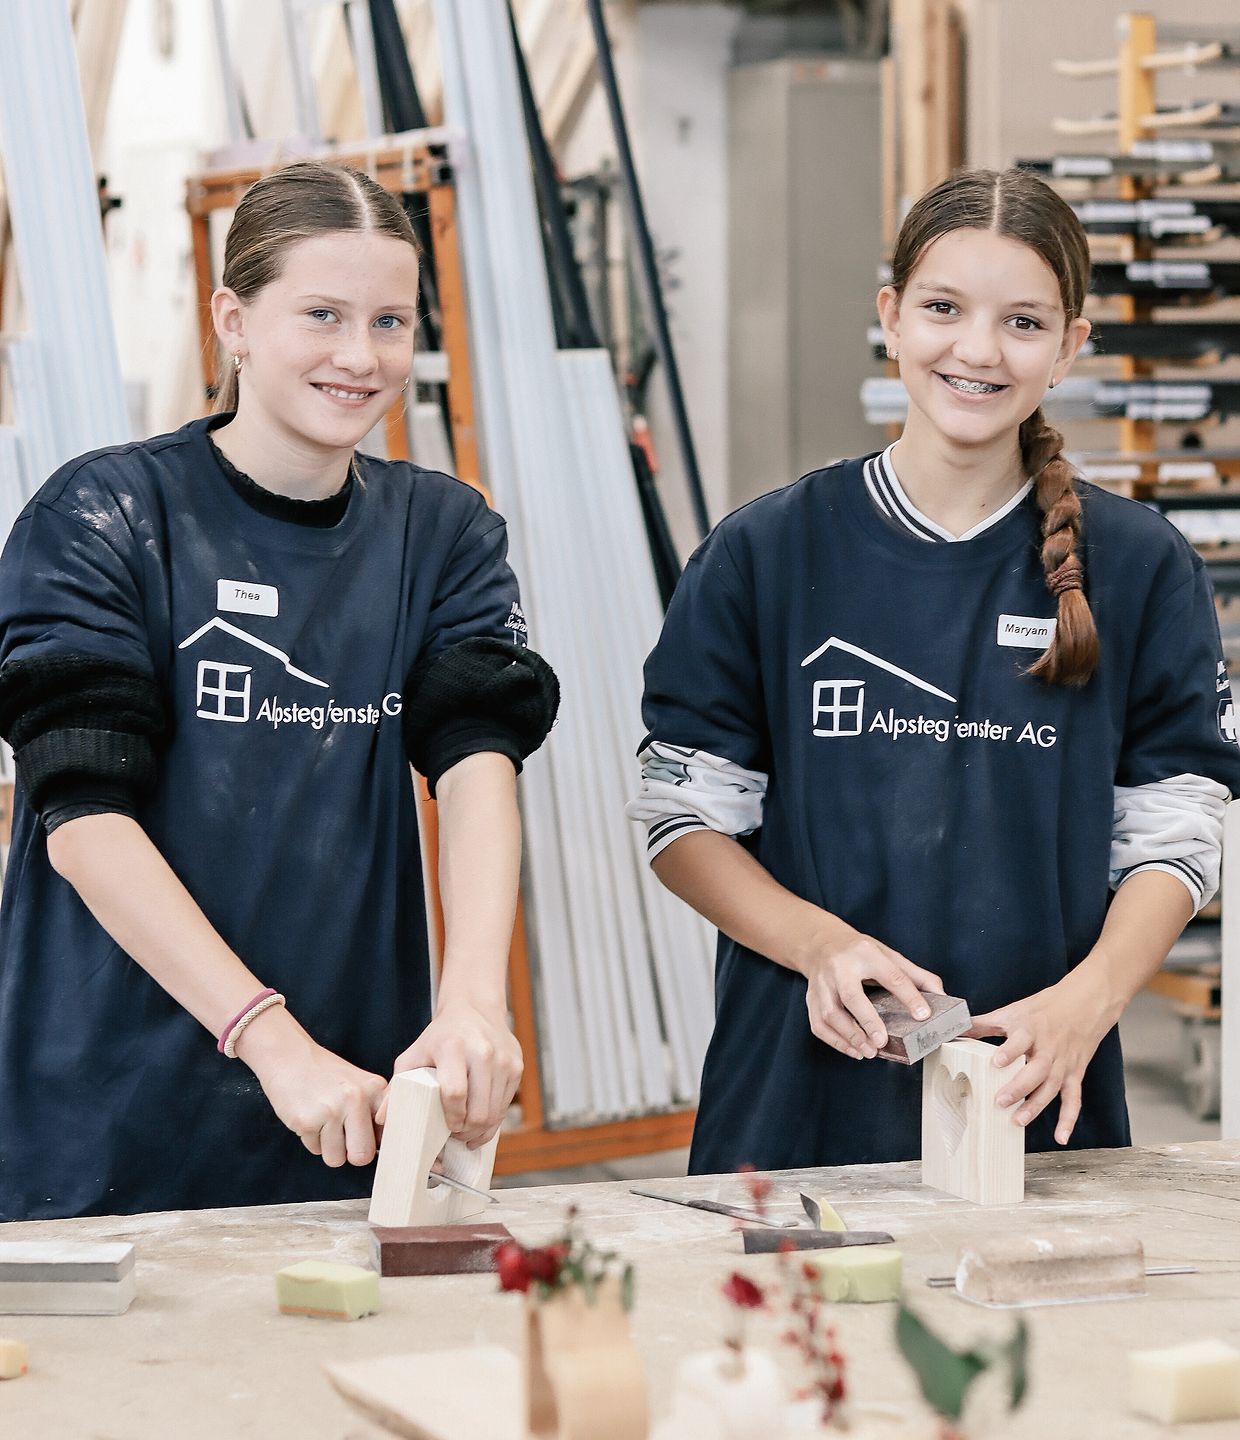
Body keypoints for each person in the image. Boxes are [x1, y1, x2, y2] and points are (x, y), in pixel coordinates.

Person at [628, 167, 1240, 1174]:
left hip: (1035, 1093)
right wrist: (820, 947)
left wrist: (1085, 1005)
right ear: (891, 316)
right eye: (943, 309)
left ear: (1070, 346)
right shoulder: (765, 553)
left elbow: (1176, 827)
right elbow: (681, 818)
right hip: (793, 1100)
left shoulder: (1138, 566)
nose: (976, 350)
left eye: (1023, 322)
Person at [0, 161, 557, 1219]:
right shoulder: (106, 516)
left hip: (347, 1106)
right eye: (322, 315)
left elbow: (479, 761)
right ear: (234, 320)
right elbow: (80, 818)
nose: (361, 356)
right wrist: (269, 1040)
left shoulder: (440, 533)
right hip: (109, 1106)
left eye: (390, 321)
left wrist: (473, 999)